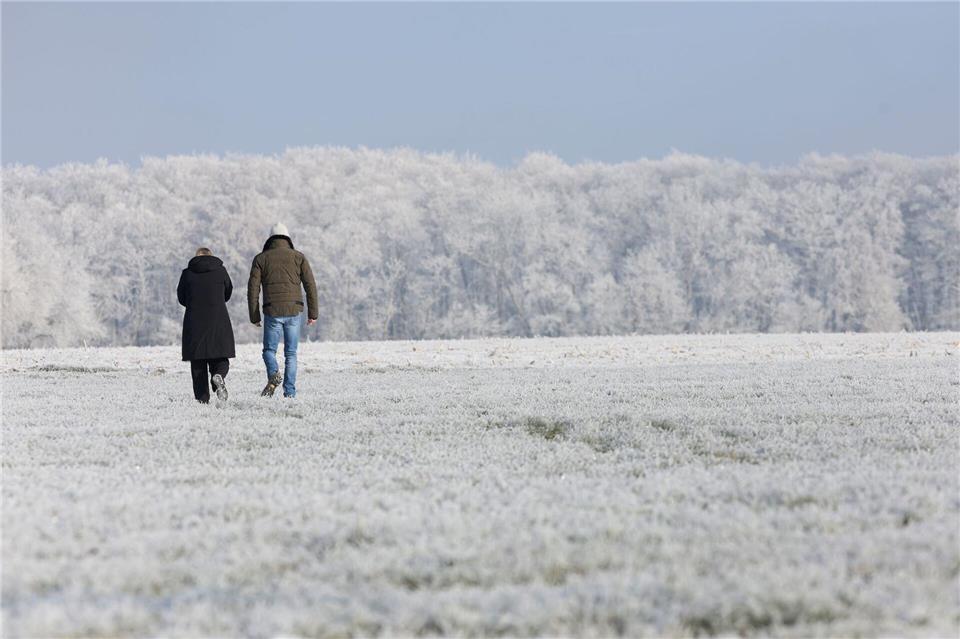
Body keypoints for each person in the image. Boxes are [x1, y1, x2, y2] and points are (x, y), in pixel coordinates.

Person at [247, 223, 318, 398]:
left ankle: (273, 374)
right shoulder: (299, 257)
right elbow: (310, 286)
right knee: (291, 354)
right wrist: (313, 314)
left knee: (269, 351)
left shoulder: (260, 259)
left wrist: (254, 316)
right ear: (287, 238)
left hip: (272, 310)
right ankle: (290, 392)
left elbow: (253, 289)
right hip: (294, 309)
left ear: (270, 239)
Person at [177, 247, 236, 403]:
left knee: (198, 363)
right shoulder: (221, 271)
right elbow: (228, 292)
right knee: (221, 357)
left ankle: (202, 400)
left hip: (194, 322)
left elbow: (181, 298)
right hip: (218, 320)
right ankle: (218, 376)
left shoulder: (187, 273)